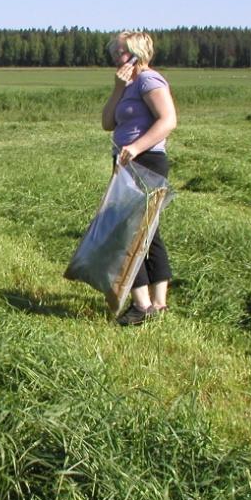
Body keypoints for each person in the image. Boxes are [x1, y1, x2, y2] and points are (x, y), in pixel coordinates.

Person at [100, 30, 178, 325]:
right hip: (129, 163)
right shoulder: (129, 84)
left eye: (120, 52)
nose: (114, 58)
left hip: (145, 162)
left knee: (128, 233)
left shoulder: (148, 80)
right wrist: (118, 89)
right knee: (148, 233)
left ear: (137, 53)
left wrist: (134, 147)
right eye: (114, 52)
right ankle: (158, 304)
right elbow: (107, 123)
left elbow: (168, 120)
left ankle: (141, 306)